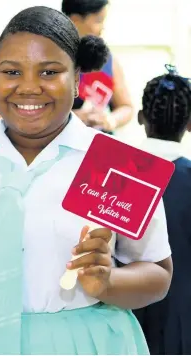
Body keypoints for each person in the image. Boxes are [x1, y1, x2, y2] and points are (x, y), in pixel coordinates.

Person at [0, 6, 173, 355]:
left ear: (78, 77)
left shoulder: (115, 164)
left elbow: (158, 273)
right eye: (12, 71)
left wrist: (109, 281)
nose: (29, 87)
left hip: (85, 344)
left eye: (49, 71)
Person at [132, 65, 191, 355]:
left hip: (123, 315)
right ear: (190, 123)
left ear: (140, 117)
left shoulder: (114, 173)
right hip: (181, 320)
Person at [62, 0, 133, 133]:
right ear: (75, 20)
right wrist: (70, 118)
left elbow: (126, 107)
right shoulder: (49, 59)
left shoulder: (108, 61)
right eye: (98, 21)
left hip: (97, 144)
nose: (102, 28)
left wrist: (111, 120)